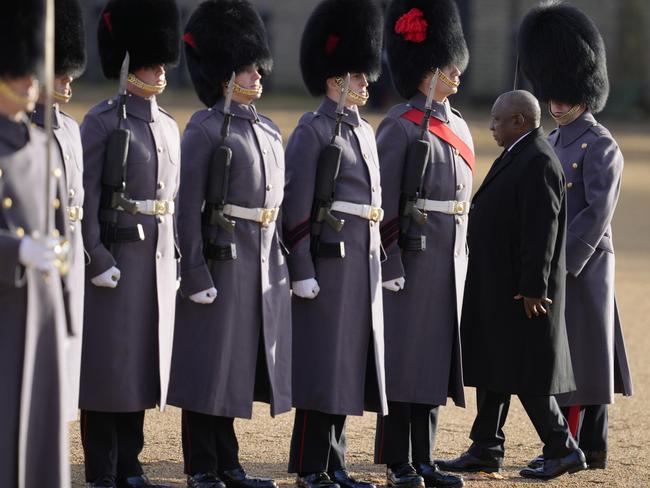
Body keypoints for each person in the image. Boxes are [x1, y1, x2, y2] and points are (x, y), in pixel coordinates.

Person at [167, 1, 291, 487]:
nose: (256, 74)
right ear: (224, 75)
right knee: (208, 365)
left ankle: (229, 462)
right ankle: (202, 465)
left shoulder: (265, 128)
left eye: (256, 66)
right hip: (219, 261)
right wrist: (194, 271)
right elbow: (187, 207)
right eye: (245, 68)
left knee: (236, 366)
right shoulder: (203, 128)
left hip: (256, 263)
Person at [437, 90, 587, 480]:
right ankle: (486, 446)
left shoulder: (537, 159)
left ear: (519, 120)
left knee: (527, 372)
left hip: (523, 291)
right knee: (494, 366)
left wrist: (534, 287)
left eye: (497, 120)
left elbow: (542, 230)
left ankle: (563, 447)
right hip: (501, 285)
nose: (491, 127)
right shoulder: (521, 151)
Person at [517, 2, 633, 471]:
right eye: (552, 95)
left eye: (566, 96)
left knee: (587, 353)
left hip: (583, 264)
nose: (557, 103)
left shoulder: (600, 143)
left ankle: (591, 444)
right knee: (560, 354)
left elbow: (598, 211)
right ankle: (566, 441)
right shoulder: (552, 140)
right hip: (555, 262)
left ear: (585, 92)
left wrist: (564, 262)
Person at [282, 1, 387, 487]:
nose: (366, 84)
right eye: (357, 77)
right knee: (324, 364)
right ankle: (310, 465)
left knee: (347, 364)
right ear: (333, 80)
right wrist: (300, 265)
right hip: (327, 262)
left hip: (360, 263)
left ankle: (336, 463)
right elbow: (297, 205)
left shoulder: (363, 131)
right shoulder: (313, 129)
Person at [78, 0, 182, 486]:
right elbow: (85, 198)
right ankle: (104, 466)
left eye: (160, 61)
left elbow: (172, 201)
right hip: (115, 257)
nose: (158, 69)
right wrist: (96, 256)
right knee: (108, 369)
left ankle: (132, 463)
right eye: (147, 61)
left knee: (142, 365)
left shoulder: (168, 126)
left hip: (154, 261)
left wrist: (176, 256)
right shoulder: (101, 122)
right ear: (126, 62)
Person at [374, 1, 473, 486]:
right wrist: (389, 260)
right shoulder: (399, 124)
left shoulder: (458, 125)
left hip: (448, 258)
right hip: (411, 258)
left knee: (434, 361)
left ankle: (426, 458)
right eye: (444, 64)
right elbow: (385, 202)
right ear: (422, 72)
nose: (456, 71)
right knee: (404, 360)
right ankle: (399, 460)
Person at [0, 1, 71, 486]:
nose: (31, 82)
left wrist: (61, 298)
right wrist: (14, 251)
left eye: (32, 71)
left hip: (40, 304)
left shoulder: (45, 144)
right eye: (20, 72)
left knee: (42, 429)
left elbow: (61, 224)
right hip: (4, 304)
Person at [30, 0, 87, 424]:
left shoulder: (71, 127)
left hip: (72, 248)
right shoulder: (24, 127)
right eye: (59, 68)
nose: (68, 78)